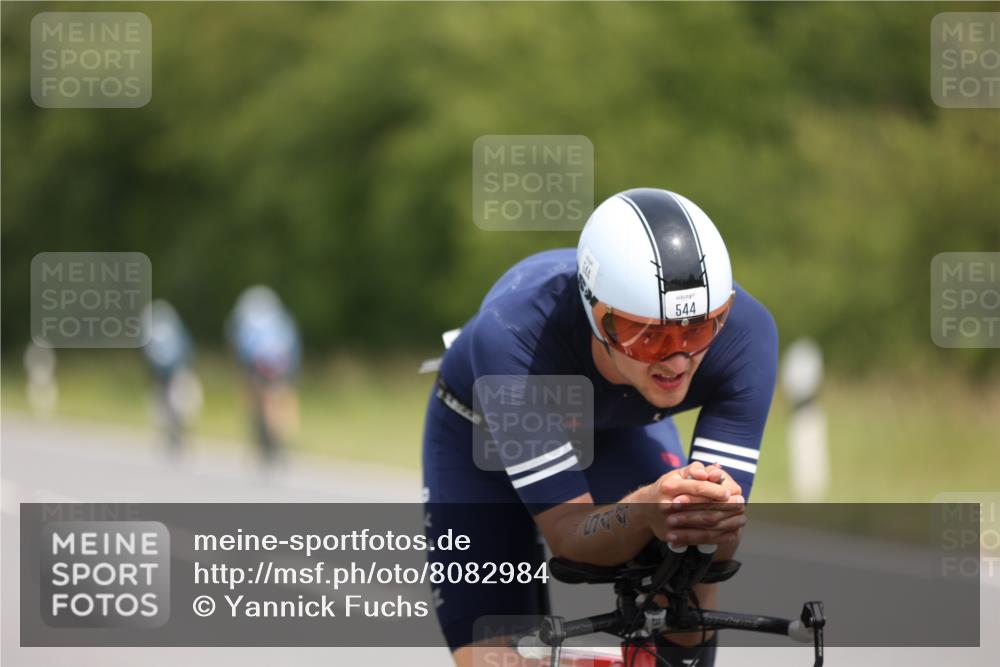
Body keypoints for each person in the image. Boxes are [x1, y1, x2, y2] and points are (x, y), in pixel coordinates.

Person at [422, 188, 778, 666]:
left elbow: (713, 544)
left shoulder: (746, 336)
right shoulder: (513, 338)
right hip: (479, 437)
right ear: (596, 314)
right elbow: (570, 534)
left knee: (687, 555)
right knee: (491, 652)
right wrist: (645, 509)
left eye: (698, 329)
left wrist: (702, 518)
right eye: (647, 334)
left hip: (616, 428)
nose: (677, 358)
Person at [226, 286, 302, 463]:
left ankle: (267, 438)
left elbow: (242, 347)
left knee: (256, 399)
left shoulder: (248, 320)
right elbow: (293, 346)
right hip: (282, 364)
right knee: (281, 400)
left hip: (260, 366)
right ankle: (280, 439)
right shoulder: (281, 319)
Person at [141, 300, 202, 453]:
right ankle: (178, 432)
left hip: (161, 374)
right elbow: (187, 347)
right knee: (180, 404)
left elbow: (145, 355)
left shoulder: (150, 330)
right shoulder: (175, 327)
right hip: (178, 370)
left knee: (164, 404)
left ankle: (170, 433)